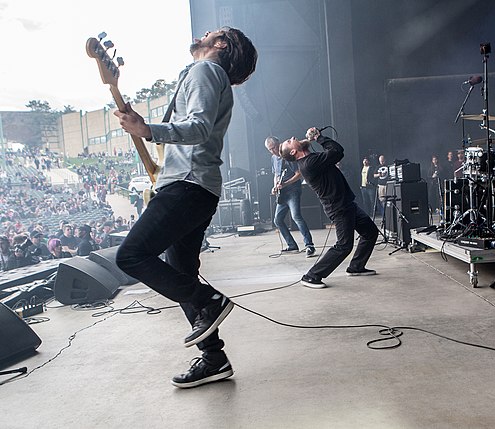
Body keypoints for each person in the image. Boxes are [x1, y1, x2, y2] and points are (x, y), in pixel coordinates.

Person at [114, 27, 257, 389]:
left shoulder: (206, 71)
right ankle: (214, 358)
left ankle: (208, 300)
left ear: (221, 44)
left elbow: (197, 129)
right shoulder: (202, 75)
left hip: (187, 185)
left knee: (131, 255)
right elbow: (188, 128)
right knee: (180, 275)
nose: (205, 33)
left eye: (214, 33)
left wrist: (147, 129)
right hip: (194, 187)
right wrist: (144, 127)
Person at [280, 127, 379, 288]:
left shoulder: (312, 158)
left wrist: (313, 140)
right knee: (344, 245)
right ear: (293, 152)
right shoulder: (308, 163)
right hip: (339, 208)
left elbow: (331, 154)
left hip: (347, 204)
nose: (292, 137)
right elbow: (337, 151)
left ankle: (356, 267)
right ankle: (311, 276)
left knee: (370, 232)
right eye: (290, 141)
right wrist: (319, 137)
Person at [264, 136, 316, 256]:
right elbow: (276, 175)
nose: (273, 151)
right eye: (270, 149)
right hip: (282, 193)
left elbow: (299, 174)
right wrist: (275, 186)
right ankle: (291, 245)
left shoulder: (287, 156)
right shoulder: (273, 158)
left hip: (293, 190)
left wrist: (286, 183)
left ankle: (309, 245)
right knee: (277, 220)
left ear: (279, 143)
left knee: (296, 216)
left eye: (274, 147)